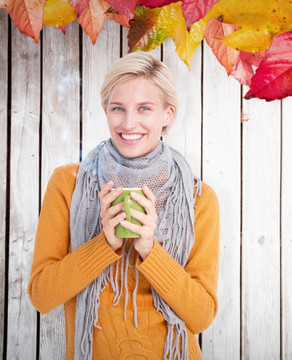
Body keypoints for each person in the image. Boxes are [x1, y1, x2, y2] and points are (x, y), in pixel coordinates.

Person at [28, 51, 220, 360]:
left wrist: (149, 249)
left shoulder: (197, 198)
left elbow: (202, 316)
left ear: (167, 114)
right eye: (118, 108)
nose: (129, 123)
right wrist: (104, 244)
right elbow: (42, 296)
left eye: (144, 108)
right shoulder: (69, 183)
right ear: (105, 110)